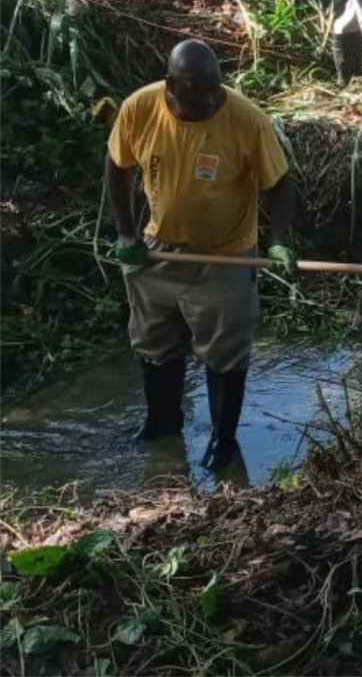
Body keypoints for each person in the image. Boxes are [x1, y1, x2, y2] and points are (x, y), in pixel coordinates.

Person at [103, 39, 295, 472]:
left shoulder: (247, 120)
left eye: (214, 93)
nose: (208, 103)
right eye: (196, 95)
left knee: (225, 352)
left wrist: (279, 238)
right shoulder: (140, 108)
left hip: (224, 256)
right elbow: (117, 166)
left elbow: (280, 183)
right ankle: (162, 424)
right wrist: (126, 231)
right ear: (172, 85)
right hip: (158, 252)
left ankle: (222, 441)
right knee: (154, 343)